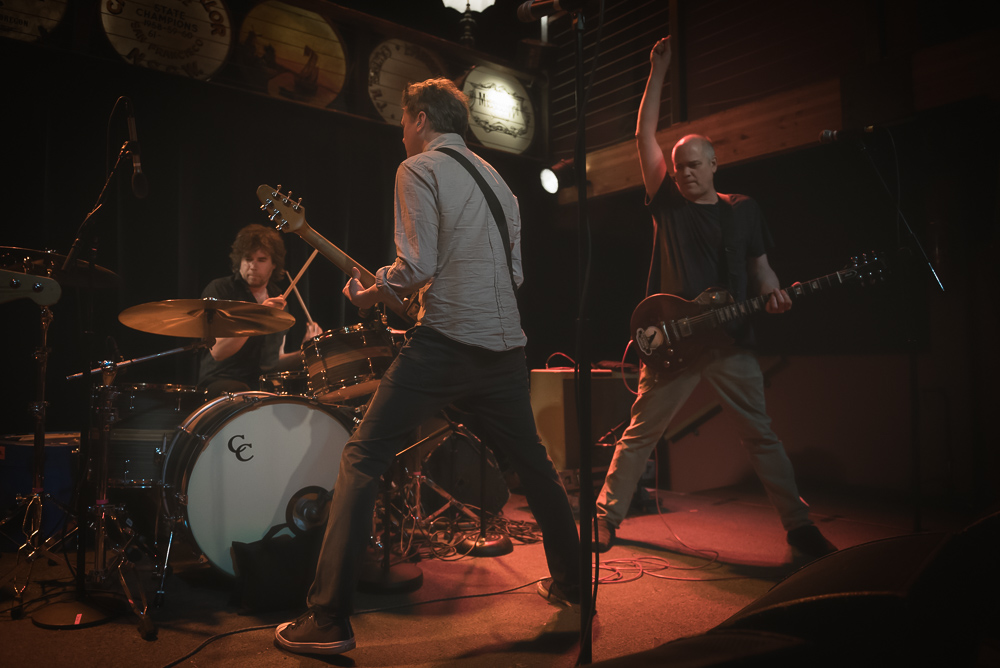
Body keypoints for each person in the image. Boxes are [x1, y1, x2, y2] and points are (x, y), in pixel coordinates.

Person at [275, 78, 582, 656]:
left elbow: (415, 263)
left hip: (444, 345)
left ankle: (329, 619)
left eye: (402, 121)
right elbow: (513, 276)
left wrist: (374, 293)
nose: (401, 133)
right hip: (506, 349)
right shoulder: (501, 184)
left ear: (419, 118)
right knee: (534, 466)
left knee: (363, 455)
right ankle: (572, 586)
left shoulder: (416, 169)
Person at [593, 36, 836, 559]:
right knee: (640, 434)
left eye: (695, 164)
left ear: (714, 164)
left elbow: (762, 271)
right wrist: (657, 72)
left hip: (730, 340)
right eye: (679, 165)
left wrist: (775, 296)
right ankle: (604, 519)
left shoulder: (742, 210)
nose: (685, 172)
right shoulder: (667, 204)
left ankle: (799, 527)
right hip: (674, 340)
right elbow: (644, 134)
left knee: (761, 436)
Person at [197, 223, 321, 397]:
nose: (253, 266)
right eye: (248, 259)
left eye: (261, 260)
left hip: (261, 381)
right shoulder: (221, 290)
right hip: (221, 378)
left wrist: (306, 349)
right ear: (239, 261)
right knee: (243, 393)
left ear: (274, 264)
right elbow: (218, 352)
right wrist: (258, 316)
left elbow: (274, 361)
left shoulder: (278, 297)